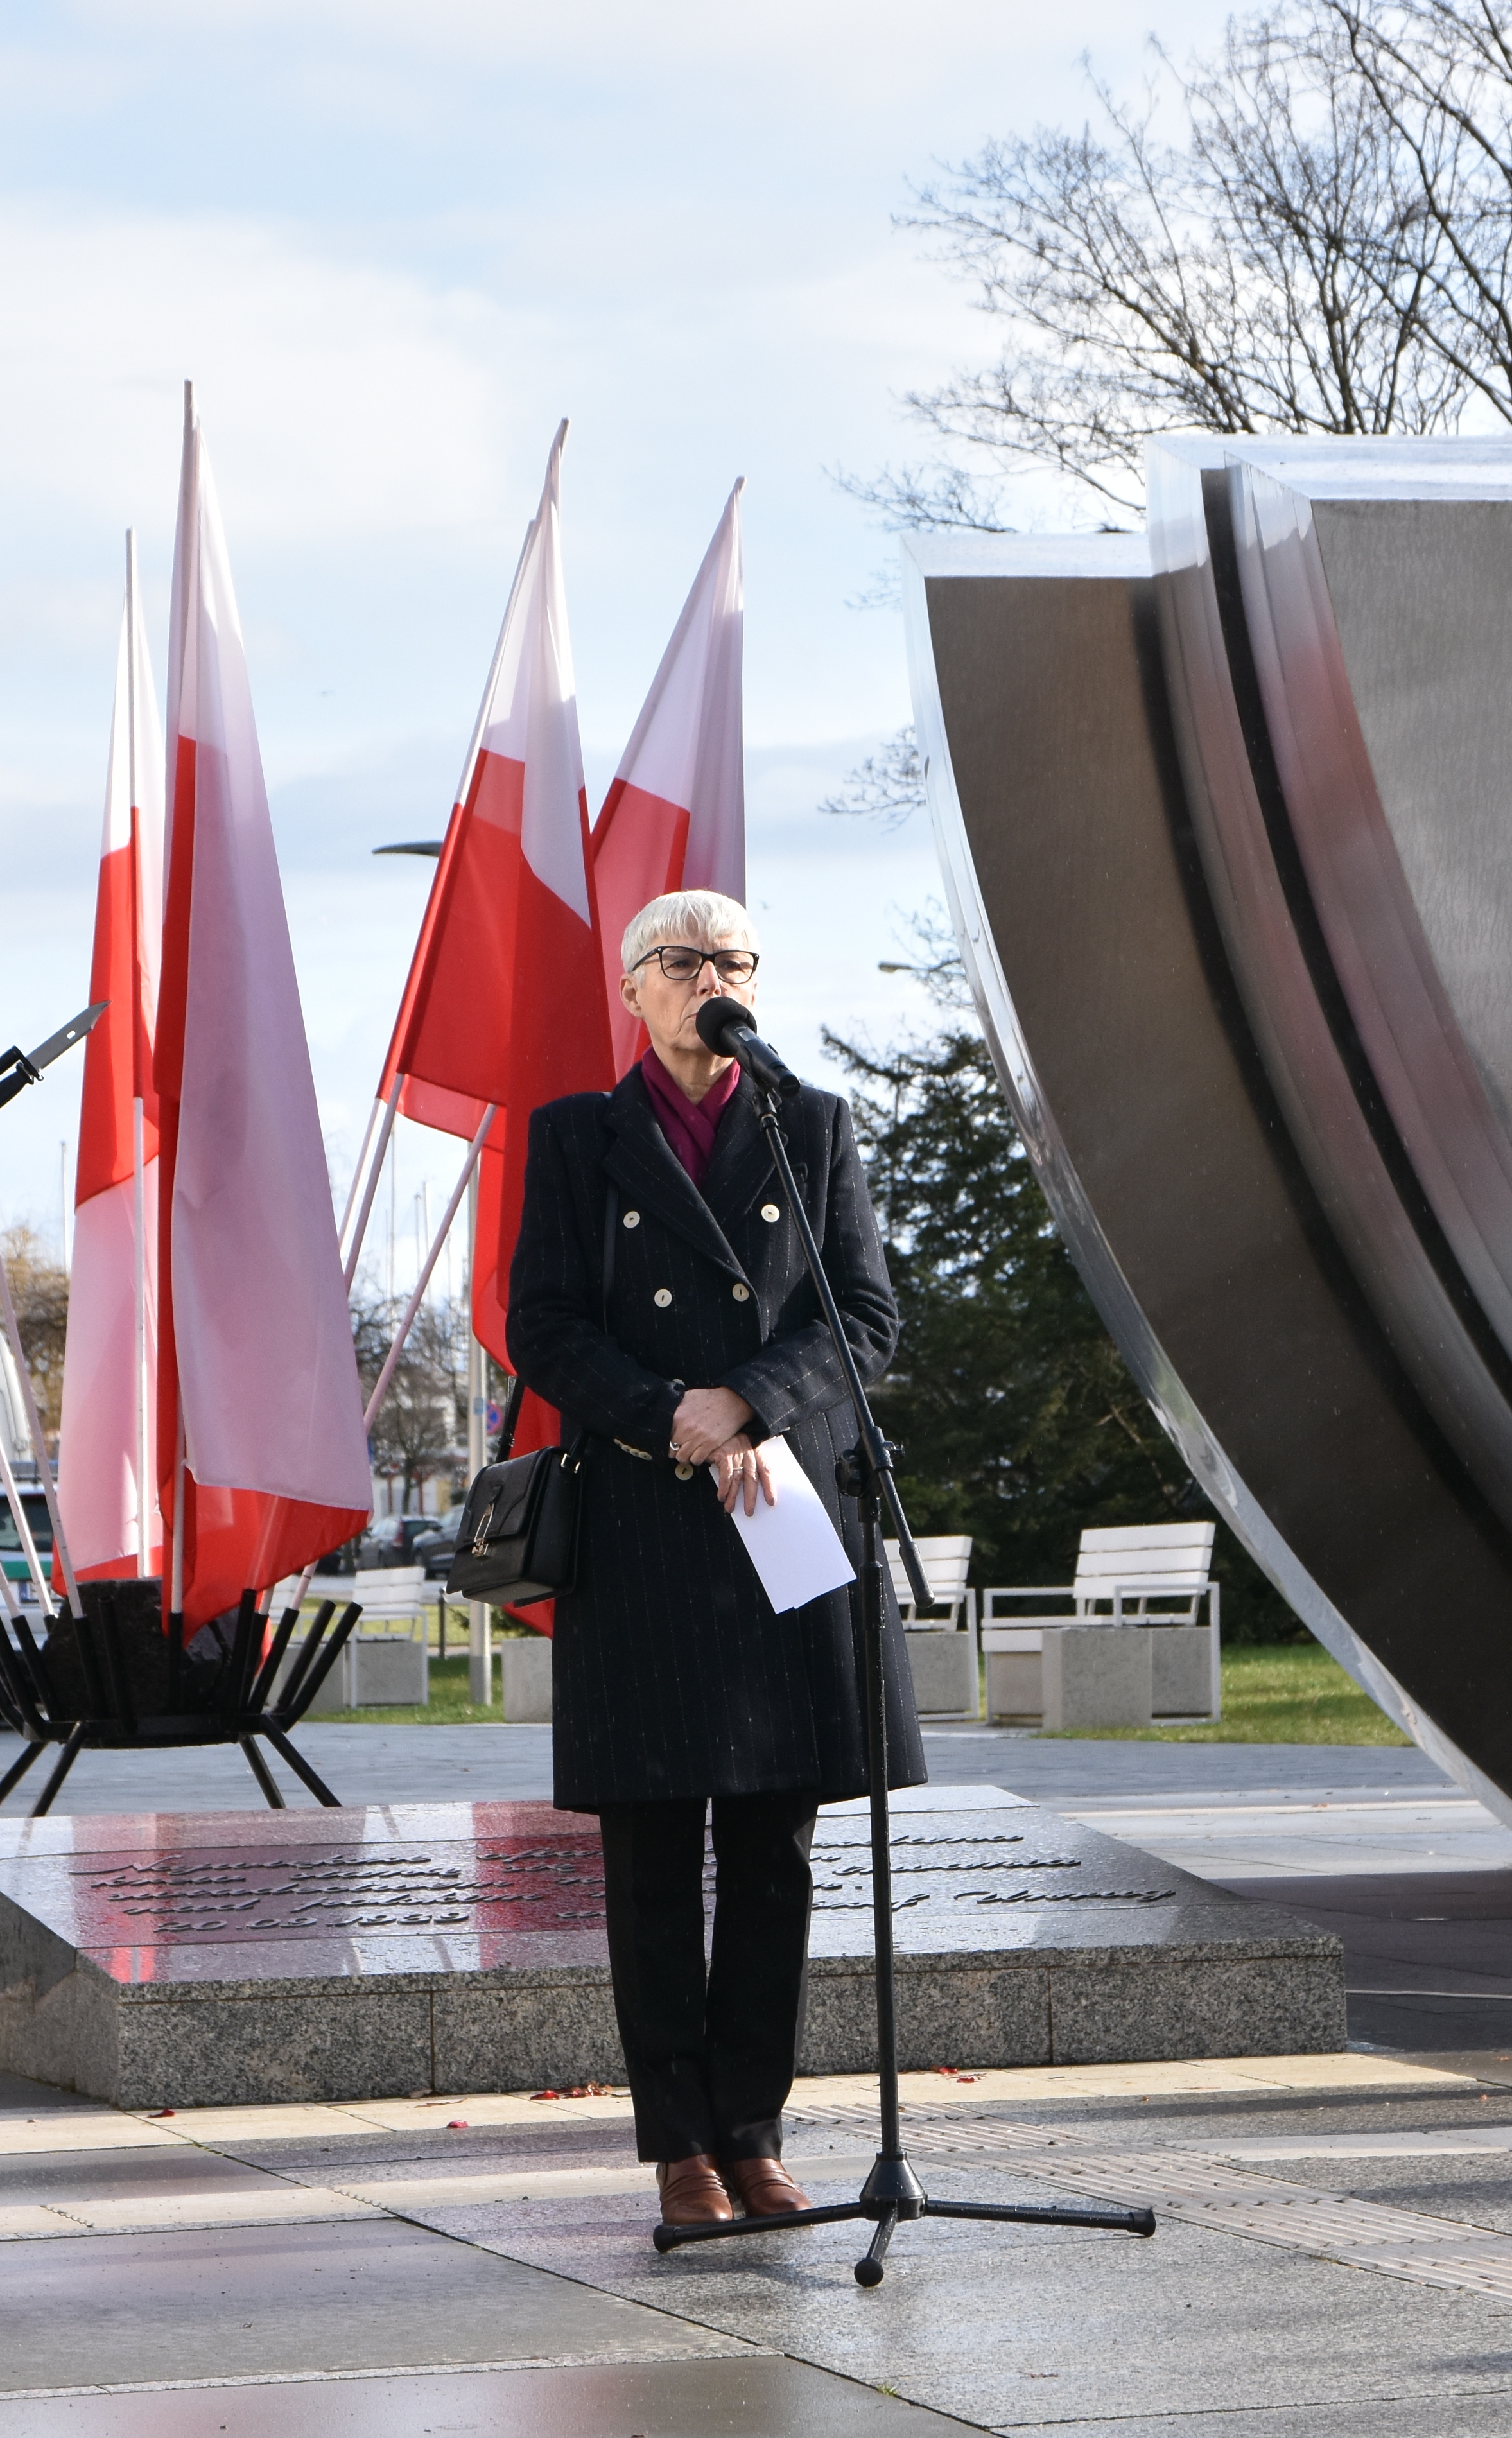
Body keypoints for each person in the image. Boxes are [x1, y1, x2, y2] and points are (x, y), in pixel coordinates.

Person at [507, 889, 925, 2230]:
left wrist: (745, 1395)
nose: (711, 979)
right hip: (639, 1517)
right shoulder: (580, 1135)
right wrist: (663, 1413)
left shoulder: (809, 1122)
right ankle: (679, 2147)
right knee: (648, 1854)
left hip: (783, 1510)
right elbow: (543, 1322)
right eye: (682, 961)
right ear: (632, 990)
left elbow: (863, 1316)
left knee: (772, 1849)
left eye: (733, 959)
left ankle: (752, 2133)